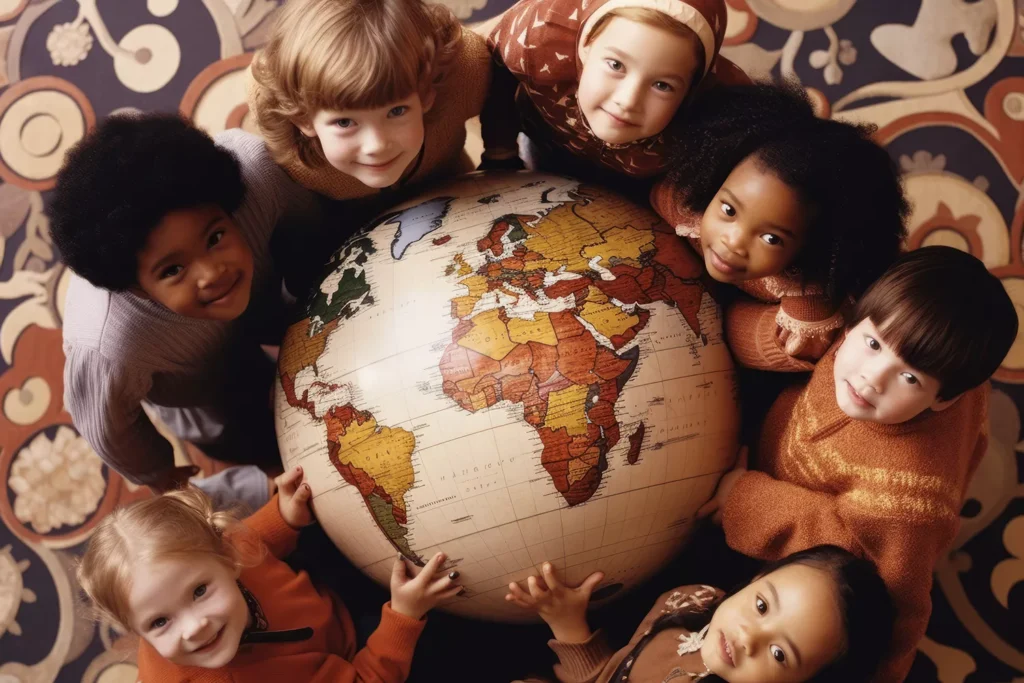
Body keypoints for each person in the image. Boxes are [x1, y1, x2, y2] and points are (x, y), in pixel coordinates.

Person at [700, 246, 1018, 683]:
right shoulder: (884, 321)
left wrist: (745, 500)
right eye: (872, 344)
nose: (872, 378)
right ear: (855, 317)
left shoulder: (907, 505)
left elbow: (889, 600)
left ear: (944, 400)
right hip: (779, 452)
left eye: (909, 377)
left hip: (795, 575)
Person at [51, 113, 316, 496]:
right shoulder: (107, 348)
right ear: (134, 288)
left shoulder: (259, 174)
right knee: (245, 435)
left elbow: (316, 227)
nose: (212, 273)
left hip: (268, 297)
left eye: (215, 237)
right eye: (173, 269)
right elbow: (108, 428)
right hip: (200, 388)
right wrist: (158, 471)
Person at [77, 466, 460, 681]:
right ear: (134, 629)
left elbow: (252, 538)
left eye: (199, 592)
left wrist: (284, 517)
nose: (194, 628)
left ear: (226, 556)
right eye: (159, 622)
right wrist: (403, 619)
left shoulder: (216, 548)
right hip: (349, 661)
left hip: (319, 602)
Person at [650, 82, 908, 370]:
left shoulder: (810, 302)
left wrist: (720, 312)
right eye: (729, 210)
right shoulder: (681, 201)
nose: (733, 242)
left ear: (811, 246)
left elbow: (746, 346)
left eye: (771, 238)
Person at [506, 545, 893, 683]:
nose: (748, 637)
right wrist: (568, 624)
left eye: (780, 655)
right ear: (757, 578)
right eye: (761, 605)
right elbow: (614, 674)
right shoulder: (690, 600)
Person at [479, 0, 749, 186]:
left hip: (639, 186)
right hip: (544, 145)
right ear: (586, 46)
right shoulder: (535, 42)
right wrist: (500, 152)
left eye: (662, 85)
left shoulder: (716, 119)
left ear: (690, 89)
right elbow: (495, 70)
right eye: (616, 65)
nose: (628, 101)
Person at [248, 0, 491, 203]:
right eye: (344, 122)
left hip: (456, 191)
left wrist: (498, 154)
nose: (376, 146)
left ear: (426, 94)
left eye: (396, 111)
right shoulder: (297, 161)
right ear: (303, 119)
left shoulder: (465, 71)